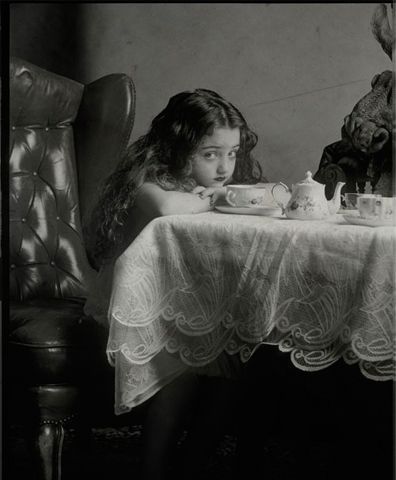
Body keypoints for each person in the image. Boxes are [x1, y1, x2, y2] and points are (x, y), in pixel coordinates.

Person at [85, 88, 265, 480]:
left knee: (234, 371)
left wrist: (224, 193)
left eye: (232, 153)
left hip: (182, 303)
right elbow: (167, 209)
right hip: (136, 309)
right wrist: (216, 197)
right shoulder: (147, 183)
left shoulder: (209, 186)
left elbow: (270, 194)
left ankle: (190, 463)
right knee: (179, 377)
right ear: (177, 147)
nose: (224, 167)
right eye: (210, 154)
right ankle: (153, 468)